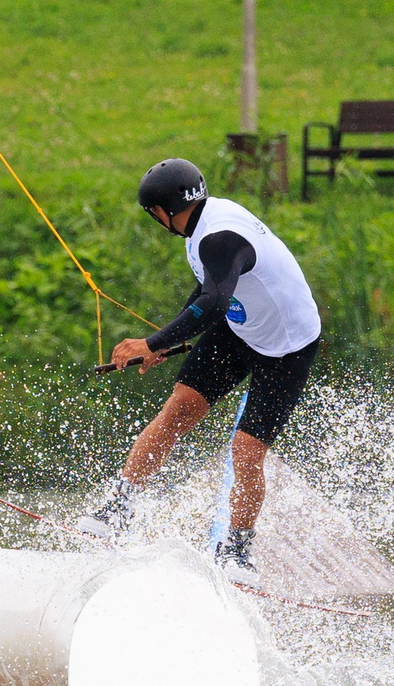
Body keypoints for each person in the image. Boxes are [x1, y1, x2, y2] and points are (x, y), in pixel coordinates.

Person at [87, 157, 322, 585]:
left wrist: (151, 343)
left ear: (163, 211)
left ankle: (237, 552)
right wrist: (165, 344)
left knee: (247, 452)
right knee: (179, 409)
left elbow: (213, 301)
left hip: (288, 349)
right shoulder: (200, 228)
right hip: (239, 327)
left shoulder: (219, 236)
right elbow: (207, 291)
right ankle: (117, 508)